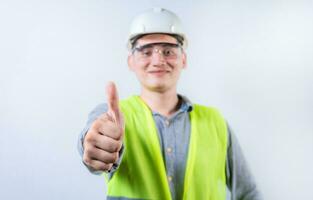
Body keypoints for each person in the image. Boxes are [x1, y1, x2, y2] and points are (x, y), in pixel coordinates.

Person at [78, 7, 262, 200]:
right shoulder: (112, 116)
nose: (158, 60)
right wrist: (95, 147)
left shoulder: (215, 122)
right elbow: (91, 141)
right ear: (131, 61)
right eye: (146, 51)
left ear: (183, 59)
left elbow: (248, 194)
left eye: (168, 51)